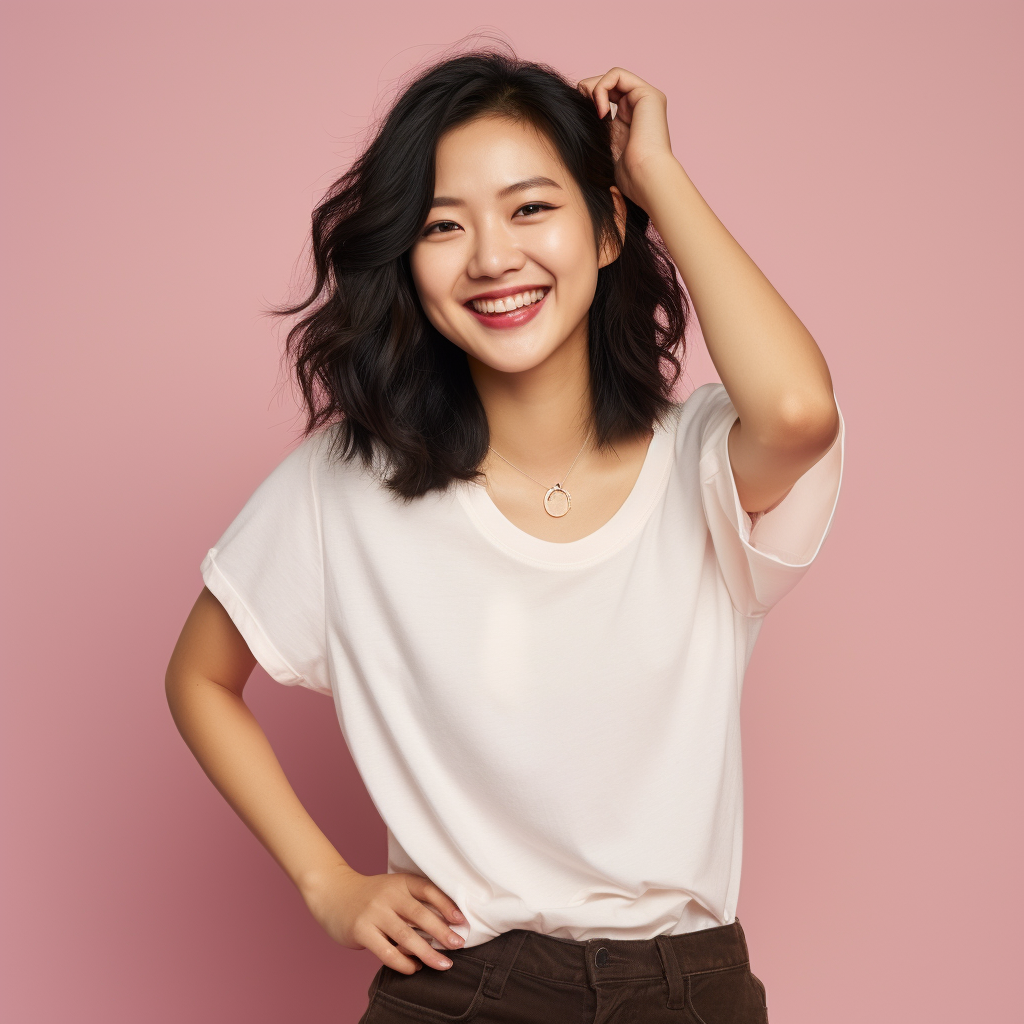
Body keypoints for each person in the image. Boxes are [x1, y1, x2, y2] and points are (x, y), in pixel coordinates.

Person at [166, 47, 844, 1023]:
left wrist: (653, 173)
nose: (490, 258)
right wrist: (327, 883)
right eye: (443, 225)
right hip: (459, 989)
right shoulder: (346, 485)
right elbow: (198, 676)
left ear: (608, 227)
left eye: (531, 208)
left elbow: (796, 410)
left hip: (686, 989)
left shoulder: (700, 462)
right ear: (406, 256)